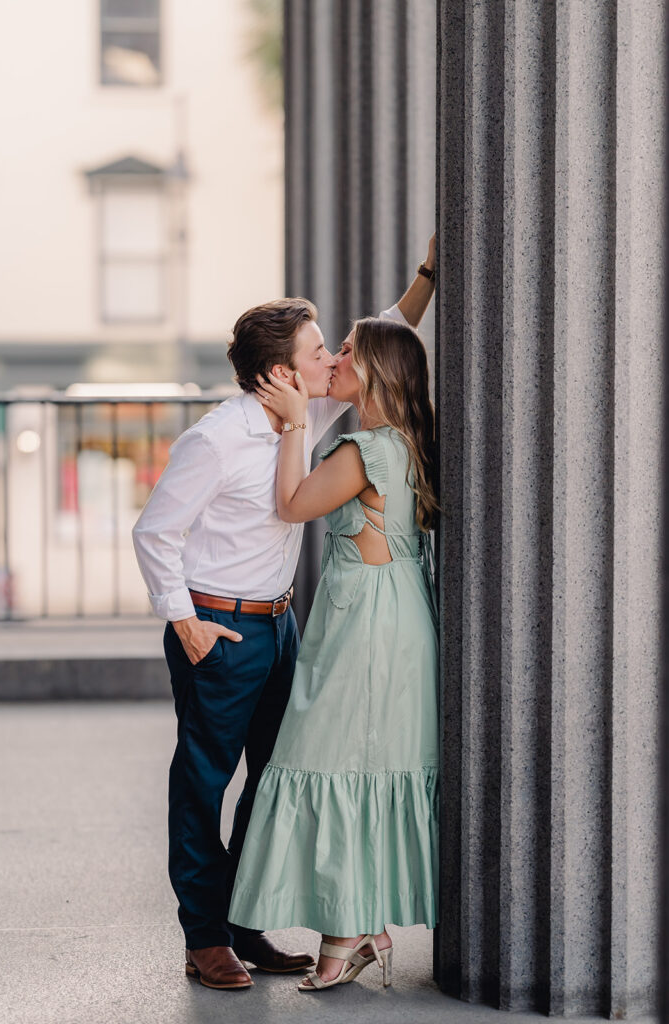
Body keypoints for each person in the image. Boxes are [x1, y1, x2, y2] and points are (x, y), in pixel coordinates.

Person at [131, 239, 436, 991]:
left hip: (283, 625)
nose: (332, 358)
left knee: (272, 778)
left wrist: (428, 275)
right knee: (205, 782)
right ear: (281, 374)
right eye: (317, 349)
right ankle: (205, 938)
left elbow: (387, 337)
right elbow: (154, 531)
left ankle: (244, 924)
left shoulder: (310, 409)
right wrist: (184, 620)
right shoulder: (217, 440)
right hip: (220, 627)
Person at [228, 314, 439, 992]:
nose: (335, 358)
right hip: (395, 613)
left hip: (363, 626)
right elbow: (395, 323)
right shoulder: (402, 441)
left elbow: (290, 505)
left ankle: (349, 933)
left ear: (375, 370)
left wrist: (293, 423)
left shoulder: (362, 451)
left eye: (347, 349)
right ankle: (357, 930)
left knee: (333, 761)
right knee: (366, 766)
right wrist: (424, 279)